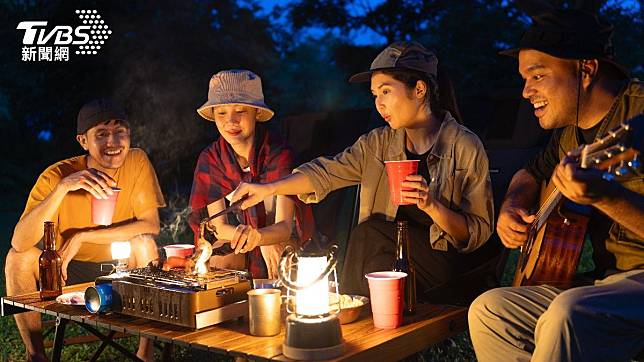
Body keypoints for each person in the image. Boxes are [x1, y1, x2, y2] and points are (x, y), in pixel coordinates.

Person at [231, 42, 495, 299]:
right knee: (374, 266)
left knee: (369, 233)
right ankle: (369, 329)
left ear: (419, 89)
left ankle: (345, 308)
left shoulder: (464, 146)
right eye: (374, 95)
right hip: (396, 258)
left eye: (386, 92)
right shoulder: (378, 144)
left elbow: (475, 232)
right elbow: (325, 172)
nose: (379, 104)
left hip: (446, 264)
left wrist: (431, 205)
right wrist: (268, 188)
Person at [468, 7, 644, 362]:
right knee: (489, 311)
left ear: (586, 69)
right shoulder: (569, 134)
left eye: (537, 76)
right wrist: (512, 205)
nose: (525, 92)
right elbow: (530, 174)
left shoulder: (637, 115)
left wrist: (608, 196)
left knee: (567, 312)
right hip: (608, 282)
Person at [6, 99, 165, 362]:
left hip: (120, 267)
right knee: (17, 259)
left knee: (145, 243)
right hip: (64, 270)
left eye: (120, 132)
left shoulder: (136, 161)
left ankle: (145, 353)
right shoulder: (56, 175)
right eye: (101, 134)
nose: (113, 142)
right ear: (83, 141)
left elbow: (151, 224)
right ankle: (36, 355)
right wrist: (63, 188)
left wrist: (83, 236)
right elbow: (20, 242)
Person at [189, 69, 315, 279]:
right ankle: (230, 309)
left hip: (279, 235)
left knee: (282, 255)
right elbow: (219, 227)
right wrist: (253, 237)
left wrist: (262, 238)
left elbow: (284, 226)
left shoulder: (278, 154)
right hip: (241, 237)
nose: (231, 121)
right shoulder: (211, 158)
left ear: (257, 113)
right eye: (221, 113)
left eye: (240, 111)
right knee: (221, 261)